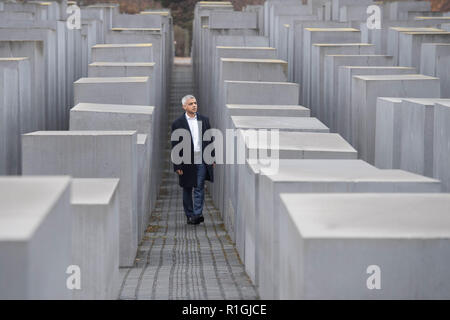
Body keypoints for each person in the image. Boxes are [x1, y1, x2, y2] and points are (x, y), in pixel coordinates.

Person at [171, 95, 215, 225]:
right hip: (185, 161)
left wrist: (212, 157)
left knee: (199, 186)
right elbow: (175, 145)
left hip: (201, 158)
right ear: (184, 106)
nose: (194, 105)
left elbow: (210, 140)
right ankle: (189, 214)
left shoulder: (204, 120)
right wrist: (177, 165)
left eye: (195, 103)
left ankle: (197, 214)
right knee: (187, 187)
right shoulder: (178, 123)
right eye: (191, 104)